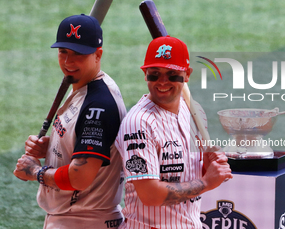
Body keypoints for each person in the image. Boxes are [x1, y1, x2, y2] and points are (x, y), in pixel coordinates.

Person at [13, 14, 127, 229]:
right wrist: (53, 148)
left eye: (78, 54)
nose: (68, 62)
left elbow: (80, 177)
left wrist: (34, 172)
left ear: (98, 54)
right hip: (75, 217)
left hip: (84, 220)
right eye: (63, 52)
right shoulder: (83, 87)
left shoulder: (98, 105)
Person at [115, 35, 233, 229]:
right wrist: (206, 182)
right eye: (154, 73)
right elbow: (150, 195)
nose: (162, 81)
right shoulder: (139, 123)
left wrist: (206, 165)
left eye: (172, 74)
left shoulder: (195, 113)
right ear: (145, 73)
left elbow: (186, 173)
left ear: (187, 75)